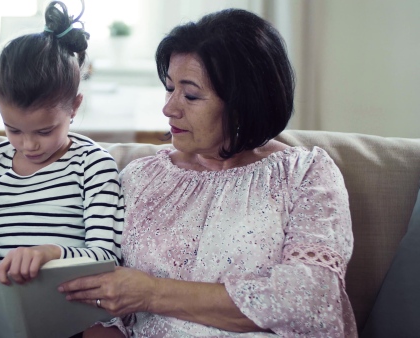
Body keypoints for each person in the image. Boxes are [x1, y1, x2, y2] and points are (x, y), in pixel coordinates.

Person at [59, 8, 357, 337]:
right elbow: (101, 306)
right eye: (169, 88)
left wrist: (152, 293)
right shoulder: (140, 179)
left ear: (245, 101)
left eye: (190, 95)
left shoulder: (305, 174)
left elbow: (310, 304)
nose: (169, 108)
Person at [0, 0, 123, 286]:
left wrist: (49, 254)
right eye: (13, 129)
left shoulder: (93, 166)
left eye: (44, 131)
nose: (28, 145)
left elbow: (107, 257)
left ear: (74, 107)